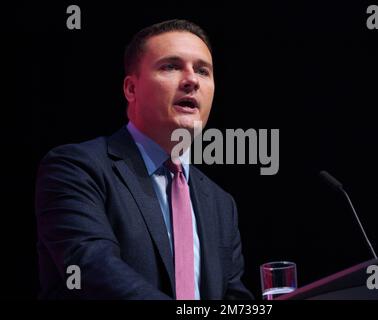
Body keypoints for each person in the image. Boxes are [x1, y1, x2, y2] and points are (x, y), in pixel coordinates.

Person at [35, 19, 253, 300]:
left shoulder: (221, 203)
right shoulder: (76, 168)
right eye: (171, 66)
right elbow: (93, 269)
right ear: (131, 89)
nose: (192, 80)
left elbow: (233, 297)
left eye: (203, 70)